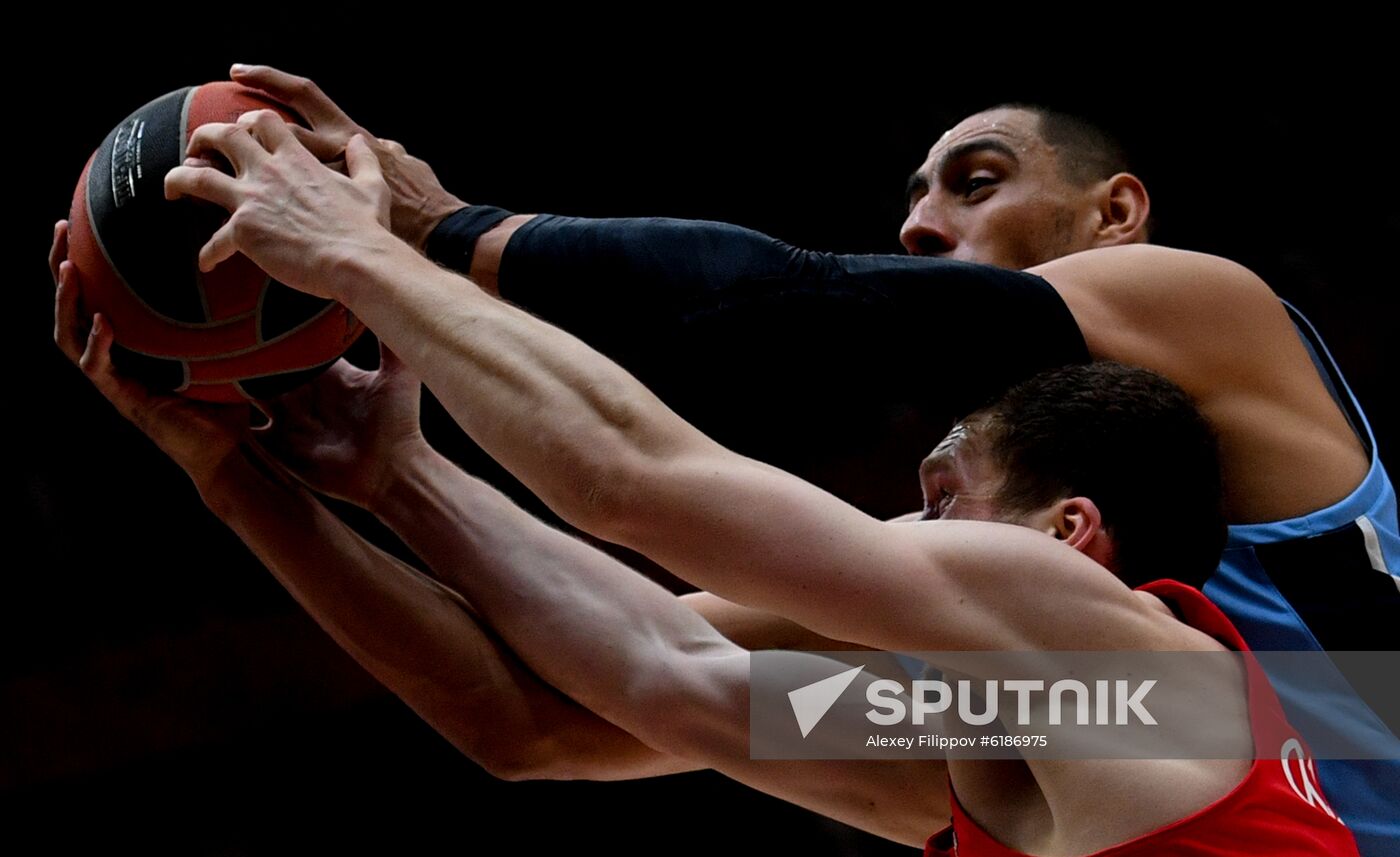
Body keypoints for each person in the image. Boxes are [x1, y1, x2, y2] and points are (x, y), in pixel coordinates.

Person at [212, 66, 1399, 854]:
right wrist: (296, 471)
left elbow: (781, 322)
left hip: (1327, 722)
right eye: (915, 197)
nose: (918, 224)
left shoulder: (1201, 309)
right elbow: (559, 709)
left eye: (976, 182)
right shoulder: (1000, 682)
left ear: (1114, 211)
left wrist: (424, 236)